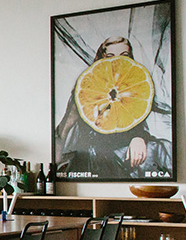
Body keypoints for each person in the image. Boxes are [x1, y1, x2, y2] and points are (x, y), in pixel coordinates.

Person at [55, 37, 171, 179]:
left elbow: (137, 124)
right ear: (101, 59)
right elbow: (62, 133)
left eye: (124, 56)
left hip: (126, 152)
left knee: (162, 148)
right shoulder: (86, 90)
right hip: (96, 158)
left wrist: (139, 138)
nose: (117, 61)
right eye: (110, 57)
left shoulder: (133, 88)